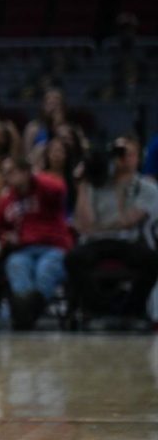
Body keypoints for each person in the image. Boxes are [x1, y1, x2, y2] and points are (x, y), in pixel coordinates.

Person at [66, 137, 158, 320]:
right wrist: (83, 185)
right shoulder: (95, 182)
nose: (123, 159)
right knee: (73, 259)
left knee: (151, 260)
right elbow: (84, 224)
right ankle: (102, 311)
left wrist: (119, 184)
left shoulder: (146, 187)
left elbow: (126, 221)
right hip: (95, 243)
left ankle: (130, 311)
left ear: (138, 158)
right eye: (118, 154)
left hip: (127, 240)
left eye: (128, 154)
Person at [0, 157, 72, 329]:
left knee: (45, 269)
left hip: (53, 246)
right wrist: (7, 237)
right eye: (6, 173)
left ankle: (24, 314)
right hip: (23, 249)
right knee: (16, 265)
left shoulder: (43, 188)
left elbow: (60, 189)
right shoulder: (5, 201)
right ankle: (27, 312)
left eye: (13, 172)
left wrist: (34, 177)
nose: (9, 177)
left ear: (25, 172)